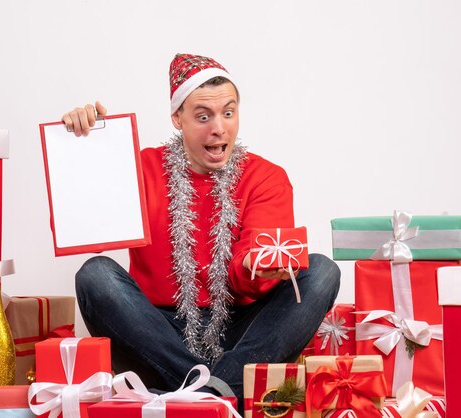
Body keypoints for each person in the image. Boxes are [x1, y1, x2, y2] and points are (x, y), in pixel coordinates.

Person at [63, 53, 340, 409]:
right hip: (158, 331)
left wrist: (258, 268)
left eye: (228, 112)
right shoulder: (141, 169)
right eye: (203, 116)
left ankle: (198, 397)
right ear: (177, 118)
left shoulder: (265, 177)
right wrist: (87, 146)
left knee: (321, 272)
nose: (219, 128)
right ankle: (220, 394)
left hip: (240, 330)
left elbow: (247, 270)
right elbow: (83, 221)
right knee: (94, 275)